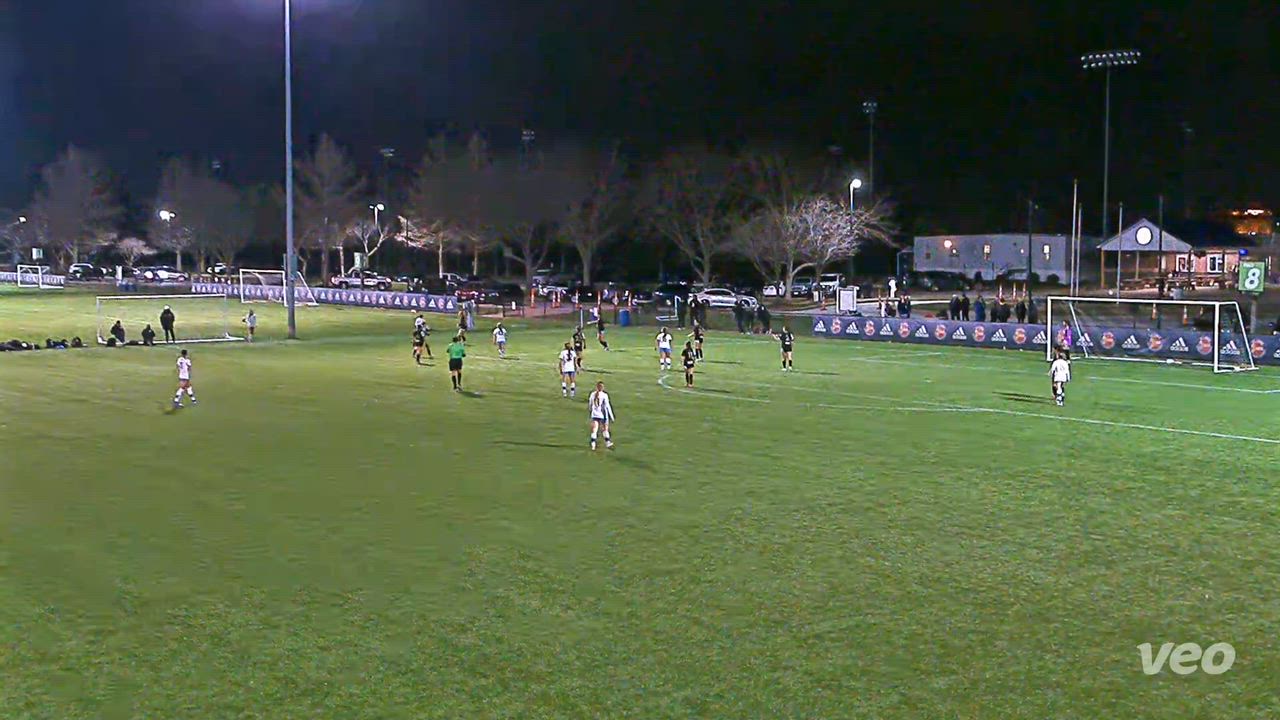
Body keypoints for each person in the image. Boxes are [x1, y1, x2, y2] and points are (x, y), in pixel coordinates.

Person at [587, 381, 615, 450]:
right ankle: (607, 443)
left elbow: (590, 404)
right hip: (602, 415)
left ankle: (593, 445)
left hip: (594, 414)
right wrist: (611, 416)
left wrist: (590, 412)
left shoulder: (592, 394)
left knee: (594, 430)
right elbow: (607, 406)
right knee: (605, 429)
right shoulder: (604, 395)